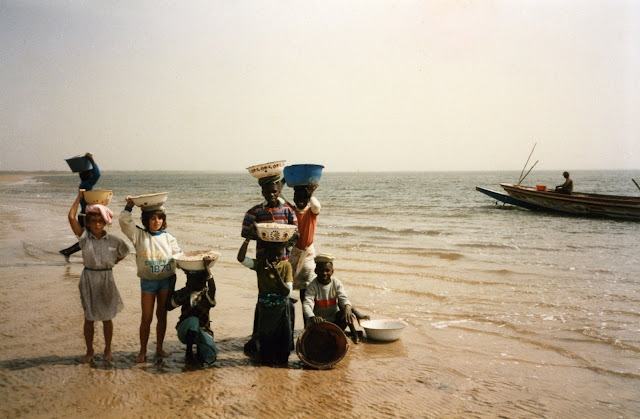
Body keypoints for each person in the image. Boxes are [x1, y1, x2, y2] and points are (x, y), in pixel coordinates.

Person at [67, 190, 129, 363]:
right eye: (93, 221)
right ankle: (90, 351)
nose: (96, 224)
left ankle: (108, 350)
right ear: (87, 222)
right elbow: (71, 218)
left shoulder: (114, 240)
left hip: (106, 279)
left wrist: (113, 263)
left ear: (105, 222)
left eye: (100, 220)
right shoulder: (84, 238)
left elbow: (125, 251)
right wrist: (79, 198)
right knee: (89, 317)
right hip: (88, 278)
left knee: (107, 317)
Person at [119, 198, 182, 363]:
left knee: (162, 316)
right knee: (146, 317)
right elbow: (124, 222)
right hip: (148, 282)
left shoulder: (169, 238)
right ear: (146, 220)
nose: (157, 221)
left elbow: (179, 256)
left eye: (160, 218)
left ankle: (160, 348)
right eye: (153, 218)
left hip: (165, 281)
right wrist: (129, 206)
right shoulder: (139, 235)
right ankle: (142, 351)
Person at [237, 232, 294, 365]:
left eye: (279, 254)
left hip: (281, 309)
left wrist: (276, 275)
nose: (275, 257)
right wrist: (248, 238)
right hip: (265, 308)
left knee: (282, 345)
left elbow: (287, 293)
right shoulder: (260, 264)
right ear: (265, 252)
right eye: (272, 253)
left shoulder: (286, 266)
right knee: (265, 347)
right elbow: (241, 258)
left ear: (283, 253)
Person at [302, 254, 370, 344]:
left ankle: (354, 334)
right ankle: (339, 334)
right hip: (319, 322)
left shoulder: (336, 282)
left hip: (334, 321)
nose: (324, 273)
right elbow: (307, 304)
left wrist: (348, 308)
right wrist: (312, 317)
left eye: (327, 271)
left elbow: (343, 298)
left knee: (346, 309)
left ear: (332, 271)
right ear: (316, 271)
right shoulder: (312, 286)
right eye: (321, 271)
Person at [166, 257, 218, 367]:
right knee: (193, 321)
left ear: (202, 282)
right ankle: (188, 353)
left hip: (203, 331)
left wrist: (207, 268)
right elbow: (168, 306)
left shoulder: (205, 295)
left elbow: (212, 288)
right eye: (188, 279)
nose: (188, 282)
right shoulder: (185, 293)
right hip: (184, 332)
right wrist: (172, 283)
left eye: (191, 280)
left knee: (209, 356)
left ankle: (199, 352)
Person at [284, 184, 321, 326]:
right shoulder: (290, 209)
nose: (300, 200)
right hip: (292, 253)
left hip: (307, 254)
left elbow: (316, 205)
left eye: (303, 198)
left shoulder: (311, 211)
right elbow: (279, 195)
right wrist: (284, 180)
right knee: (287, 287)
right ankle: (287, 326)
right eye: (297, 197)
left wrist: (310, 194)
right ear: (293, 198)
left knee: (306, 291)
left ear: (308, 199)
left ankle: (308, 325)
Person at [241, 174, 298, 261]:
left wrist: (287, 249)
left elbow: (295, 233)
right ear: (263, 193)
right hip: (263, 257)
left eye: (274, 191)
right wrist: (259, 234)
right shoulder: (254, 212)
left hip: (282, 259)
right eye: (268, 192)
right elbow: (244, 233)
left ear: (279, 192)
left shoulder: (288, 210)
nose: (271, 195)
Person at [60, 152, 100, 261]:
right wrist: (91, 159)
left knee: (88, 239)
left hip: (84, 215)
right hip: (85, 216)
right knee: (89, 239)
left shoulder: (83, 184)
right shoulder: (86, 184)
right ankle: (67, 252)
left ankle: (67, 252)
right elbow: (97, 174)